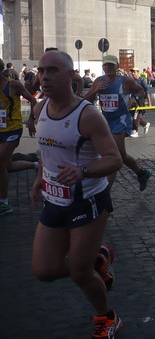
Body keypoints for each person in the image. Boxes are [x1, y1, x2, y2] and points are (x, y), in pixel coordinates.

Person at [30, 50, 123, 338]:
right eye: (41, 70)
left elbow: (114, 159)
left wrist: (83, 172)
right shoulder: (39, 110)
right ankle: (98, 261)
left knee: (80, 274)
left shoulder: (88, 115)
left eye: (52, 71)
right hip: (55, 199)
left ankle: (107, 318)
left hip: (89, 200)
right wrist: (38, 179)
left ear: (70, 76)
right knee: (43, 270)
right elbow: (48, 150)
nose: (44, 77)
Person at [85, 55, 152, 191]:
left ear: (117, 67)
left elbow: (140, 91)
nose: (108, 68)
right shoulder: (99, 81)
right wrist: (95, 90)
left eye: (111, 65)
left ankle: (106, 194)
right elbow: (86, 100)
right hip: (105, 121)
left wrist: (134, 99)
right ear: (103, 67)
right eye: (106, 65)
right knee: (121, 156)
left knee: (113, 156)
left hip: (121, 120)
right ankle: (141, 173)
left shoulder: (125, 81)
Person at [0, 59, 37, 216]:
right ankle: (35, 165)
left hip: (13, 129)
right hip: (1, 130)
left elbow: (33, 99)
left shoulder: (13, 85)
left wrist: (31, 119)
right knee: (6, 166)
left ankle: (4, 203)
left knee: (0, 162)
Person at [129, 67, 151, 136]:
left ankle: (135, 130)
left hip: (139, 101)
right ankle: (145, 124)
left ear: (138, 72)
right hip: (132, 100)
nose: (133, 73)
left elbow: (147, 92)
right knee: (133, 114)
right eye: (132, 72)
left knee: (136, 114)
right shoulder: (131, 81)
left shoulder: (142, 81)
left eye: (134, 72)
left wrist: (149, 102)